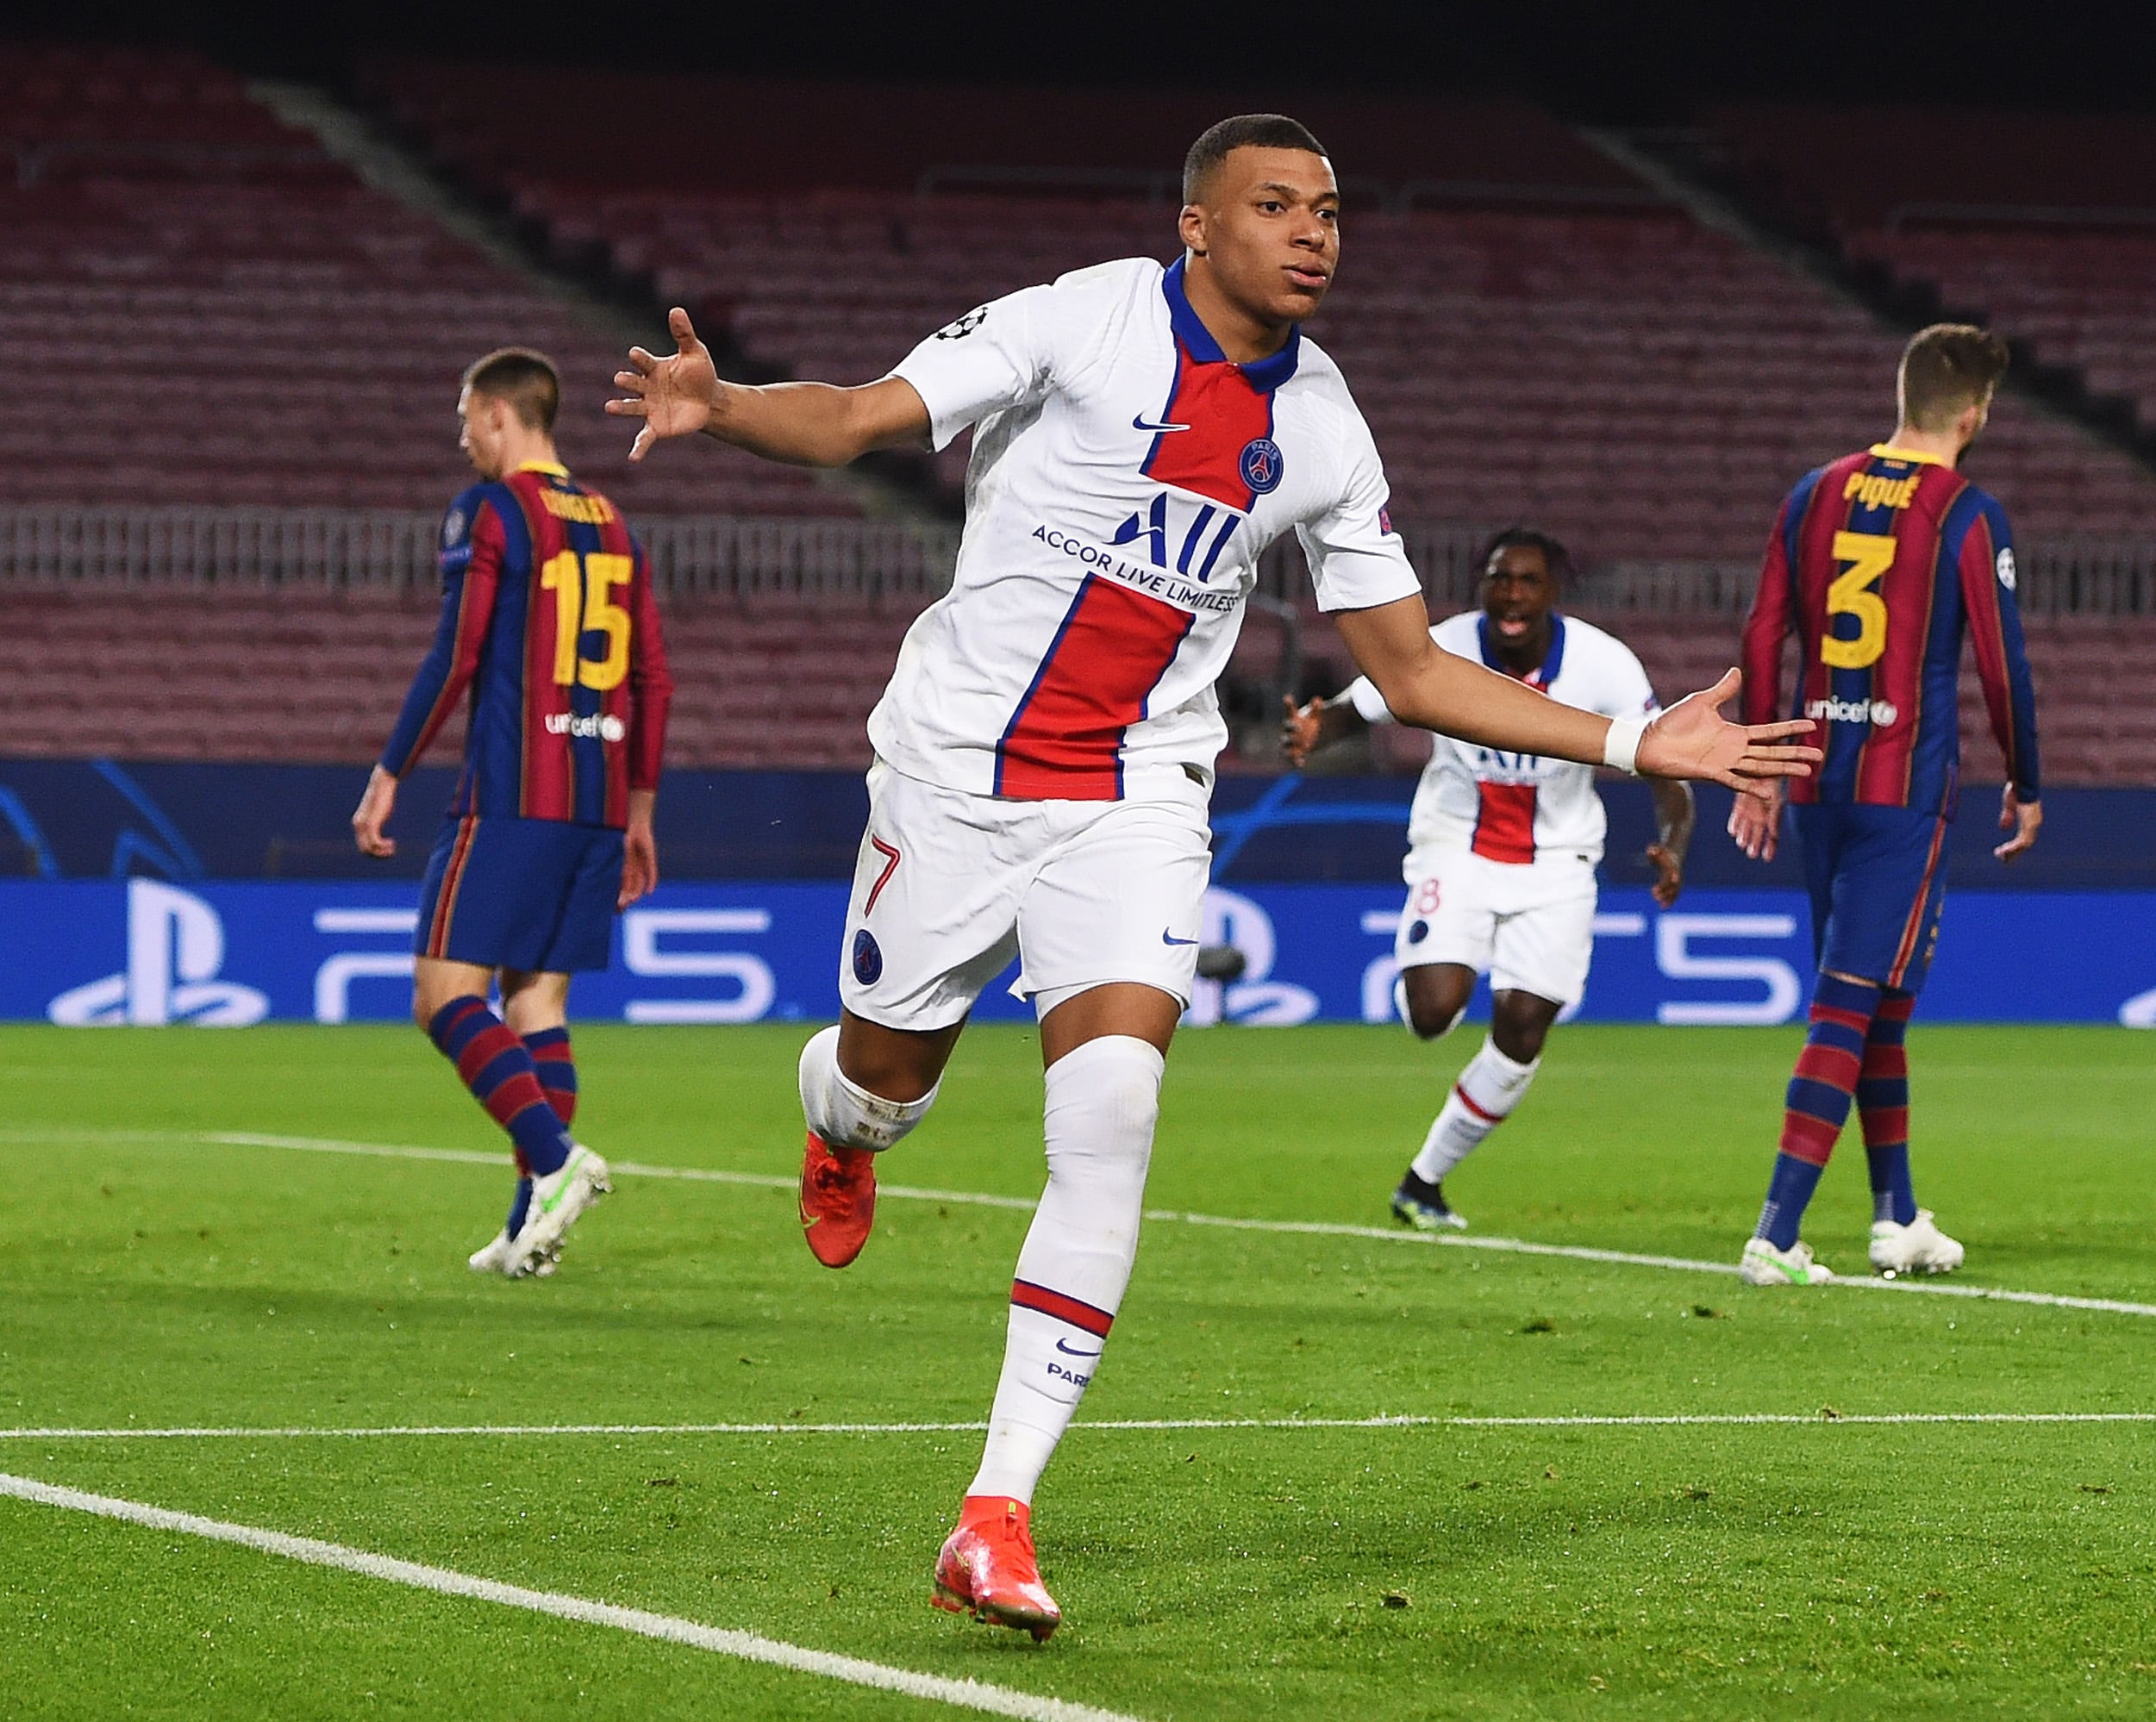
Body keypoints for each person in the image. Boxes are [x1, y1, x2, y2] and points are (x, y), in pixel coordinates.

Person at [608, 113, 1818, 1639]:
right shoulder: (1081, 316)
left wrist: (1636, 739)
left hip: (1136, 796)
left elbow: (1406, 668)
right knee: (881, 1083)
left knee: (1111, 1108)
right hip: (954, 777)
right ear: (1198, 225)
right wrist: (719, 407)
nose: (1316, 231)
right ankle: (840, 1121)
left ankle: (996, 1510)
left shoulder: (1324, 424)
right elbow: (859, 416)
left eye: (1328, 208)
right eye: (1276, 204)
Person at [1728, 324, 2041, 1286]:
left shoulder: (1812, 493)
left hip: (1821, 784)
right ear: (1975, 414)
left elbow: (1763, 632)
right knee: (1847, 1006)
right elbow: (2002, 663)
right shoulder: (1965, 511)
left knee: (1879, 1008)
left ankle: (1897, 1216)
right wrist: (2028, 781)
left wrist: (1764, 763)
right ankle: (1776, 1234)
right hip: (1904, 795)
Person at [353, 347, 671, 1279]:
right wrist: (641, 809)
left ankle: (558, 1160)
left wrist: (388, 771)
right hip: (598, 800)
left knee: (444, 996)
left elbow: (457, 652)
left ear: (499, 415)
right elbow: (653, 676)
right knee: (535, 1000)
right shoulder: (615, 525)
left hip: (510, 792)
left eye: (466, 420)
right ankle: (533, 1225)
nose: (463, 440)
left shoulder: (492, 510)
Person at [1280, 527, 1693, 1230]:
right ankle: (1430, 961)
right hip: (1456, 849)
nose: (1512, 593)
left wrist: (1673, 843)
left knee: (1525, 1026)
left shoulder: (1603, 664)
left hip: (1558, 862)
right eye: (1499, 578)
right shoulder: (1445, 646)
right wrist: (1321, 727)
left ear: (1552, 592)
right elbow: (1366, 701)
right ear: (1483, 587)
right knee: (1435, 1013)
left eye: (1528, 581)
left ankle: (1424, 1181)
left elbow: (1660, 760)